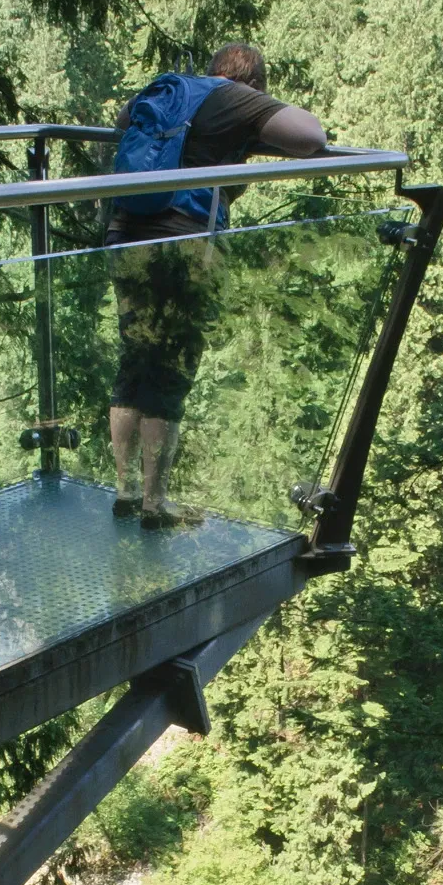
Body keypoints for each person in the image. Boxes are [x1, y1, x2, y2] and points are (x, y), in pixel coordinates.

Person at [106, 42, 327, 529]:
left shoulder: (174, 87)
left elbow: (124, 120)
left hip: (123, 230)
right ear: (254, 81)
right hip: (182, 241)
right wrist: (251, 123)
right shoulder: (235, 96)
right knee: (172, 366)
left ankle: (123, 491)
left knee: (136, 356)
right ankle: (155, 503)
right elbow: (310, 136)